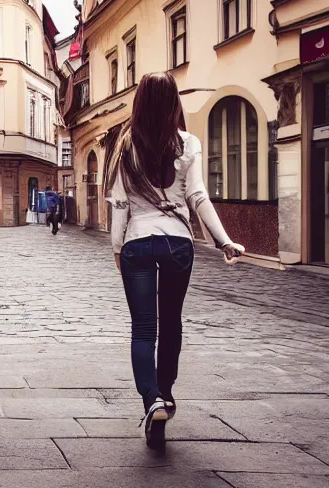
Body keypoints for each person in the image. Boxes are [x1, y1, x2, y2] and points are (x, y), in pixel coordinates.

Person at [104, 72, 244, 450]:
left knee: (143, 329)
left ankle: (151, 401)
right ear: (174, 103)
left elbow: (119, 205)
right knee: (171, 324)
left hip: (138, 242)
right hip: (178, 243)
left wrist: (118, 249)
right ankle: (165, 393)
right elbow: (198, 196)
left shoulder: (124, 145)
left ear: (139, 103)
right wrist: (224, 241)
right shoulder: (189, 143)